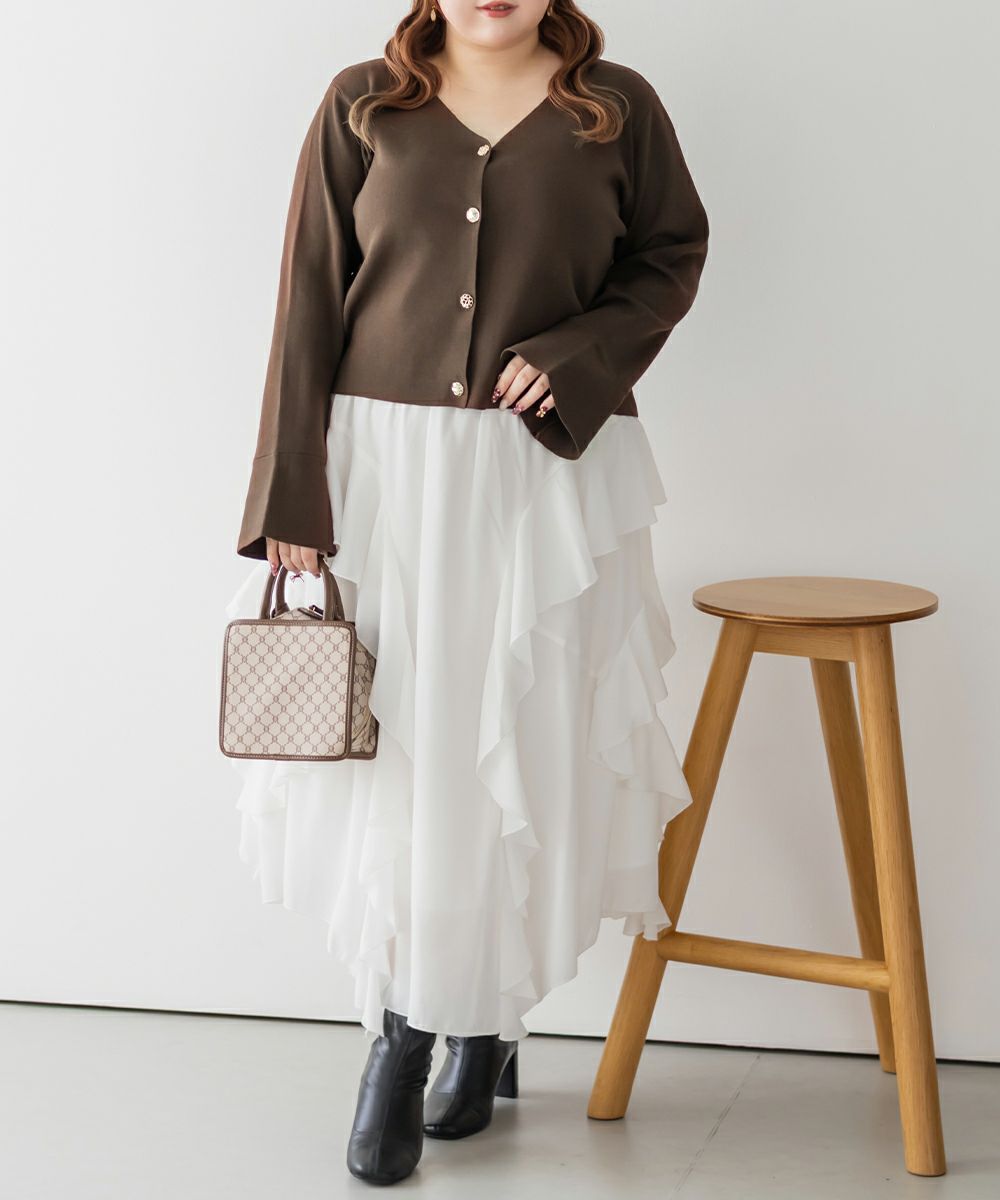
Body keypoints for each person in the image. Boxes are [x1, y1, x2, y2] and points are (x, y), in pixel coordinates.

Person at [224, 0, 709, 1185]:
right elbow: (307, 292)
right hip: (388, 473)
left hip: (546, 476)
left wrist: (577, 354)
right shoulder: (362, 102)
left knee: (523, 743)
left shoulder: (616, 108)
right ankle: (401, 1034)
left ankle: (483, 1020)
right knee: (410, 756)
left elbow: (669, 258)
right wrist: (291, 494)